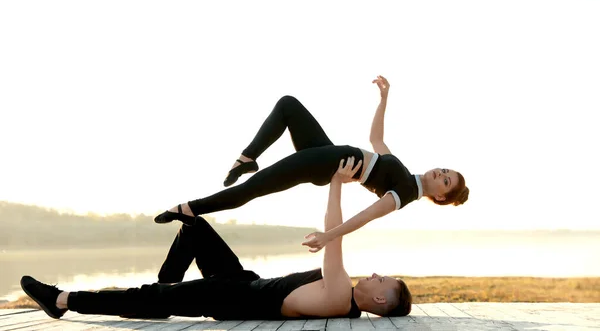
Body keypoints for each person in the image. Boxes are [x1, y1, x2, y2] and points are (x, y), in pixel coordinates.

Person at [21, 159, 412, 320]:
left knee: (145, 298)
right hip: (244, 283)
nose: (377, 275)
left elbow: (334, 236)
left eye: (383, 280)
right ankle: (166, 289)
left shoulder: (340, 294)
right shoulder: (344, 302)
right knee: (195, 227)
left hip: (231, 298)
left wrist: (335, 182)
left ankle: (60, 301)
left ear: (379, 299)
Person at [155, 76, 469, 252]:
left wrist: (329, 235)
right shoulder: (406, 173)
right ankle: (247, 157)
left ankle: (190, 208)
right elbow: (376, 140)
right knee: (288, 104)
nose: (440, 173)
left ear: (440, 196)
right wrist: (384, 101)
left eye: (445, 180)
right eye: (445, 170)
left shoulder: (404, 193)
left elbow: (366, 216)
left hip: (324, 164)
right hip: (326, 152)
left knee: (253, 189)